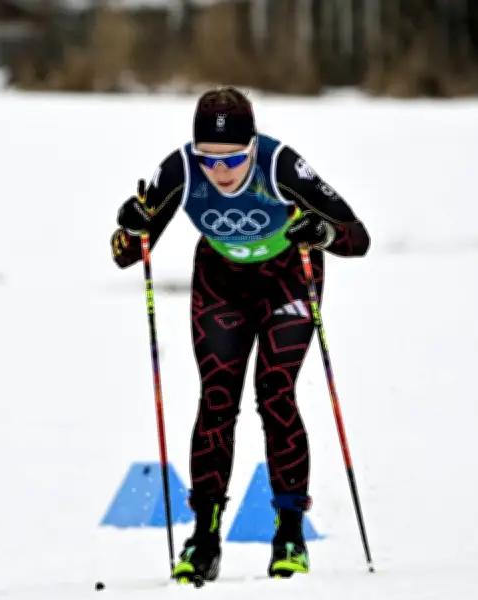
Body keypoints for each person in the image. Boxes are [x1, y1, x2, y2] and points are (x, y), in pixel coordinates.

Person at [110, 86, 370, 583]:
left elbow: (357, 237)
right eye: (209, 159)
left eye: (233, 159)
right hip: (221, 282)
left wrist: (324, 234)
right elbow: (127, 251)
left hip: (288, 278)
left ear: (253, 146)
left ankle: (290, 533)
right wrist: (130, 226)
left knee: (275, 393)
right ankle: (204, 540)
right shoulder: (180, 171)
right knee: (217, 398)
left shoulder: (282, 166)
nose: (221, 172)